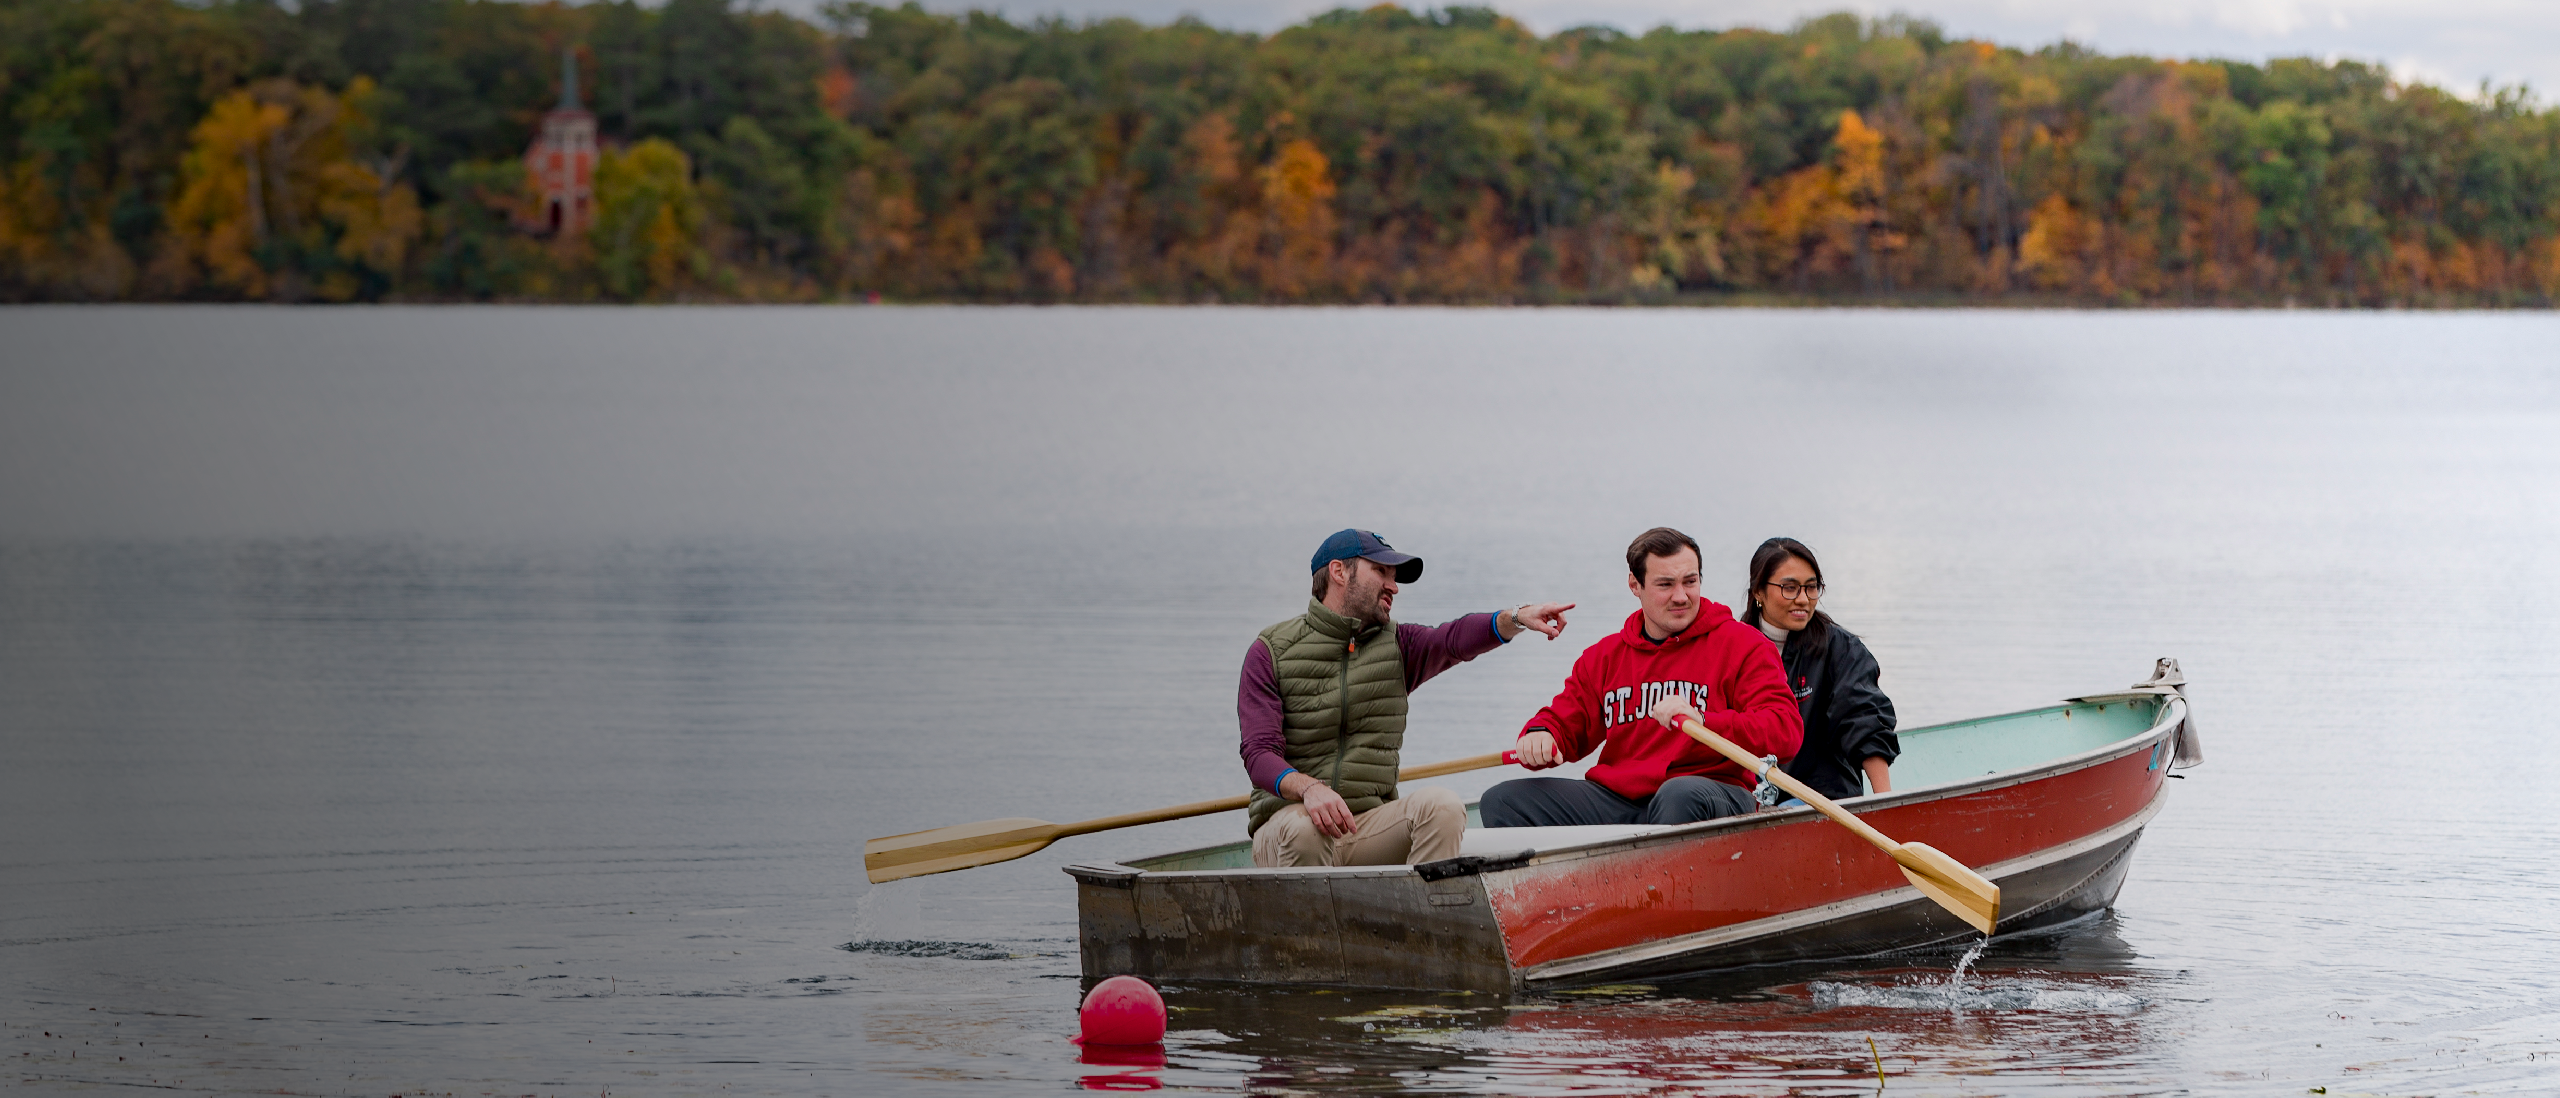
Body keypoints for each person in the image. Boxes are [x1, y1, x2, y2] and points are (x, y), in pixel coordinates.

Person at [1242, 528, 1574, 868]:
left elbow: (1453, 639)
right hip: (1286, 829)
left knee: (1442, 807)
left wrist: (1516, 618)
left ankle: (1422, 916)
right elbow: (1259, 754)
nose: (1394, 586)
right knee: (1305, 829)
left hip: (1364, 827)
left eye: (1394, 576)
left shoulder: (1400, 645)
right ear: (1339, 572)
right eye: (1381, 572)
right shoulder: (1271, 652)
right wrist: (1309, 790)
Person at [1480, 527, 1803, 828]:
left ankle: (1662, 889)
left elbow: (1785, 730)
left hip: (1710, 791)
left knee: (1679, 795)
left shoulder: (1743, 645)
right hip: (1619, 799)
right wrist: (1542, 734)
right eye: (1665, 585)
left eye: (1690, 582)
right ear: (1635, 585)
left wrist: (1704, 722)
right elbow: (1565, 724)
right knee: (1503, 801)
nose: (1681, 596)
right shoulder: (1605, 657)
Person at [1741, 537, 1898, 801]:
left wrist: (1886, 802)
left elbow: (1864, 720)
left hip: (1823, 800)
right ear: (1758, 591)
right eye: (1789, 588)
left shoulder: (1841, 648)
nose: (1803, 599)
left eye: (1811, 588)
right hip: (1747, 799)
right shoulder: (1734, 649)